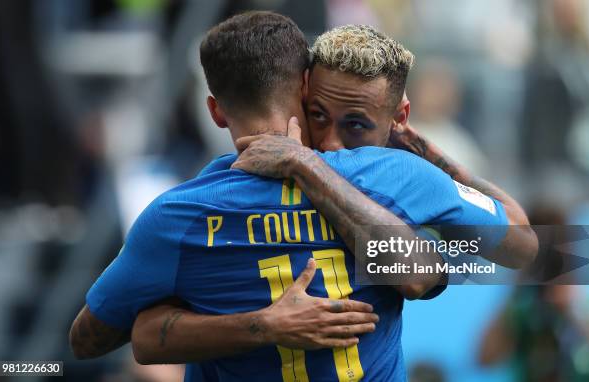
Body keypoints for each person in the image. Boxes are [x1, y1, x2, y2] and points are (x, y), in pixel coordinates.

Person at [70, 13, 534, 381]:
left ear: (214, 110)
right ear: (304, 86)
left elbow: (91, 339)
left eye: (353, 125)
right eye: (320, 116)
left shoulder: (177, 214)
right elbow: (531, 250)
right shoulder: (395, 173)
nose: (331, 144)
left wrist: (238, 325)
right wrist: (426, 151)